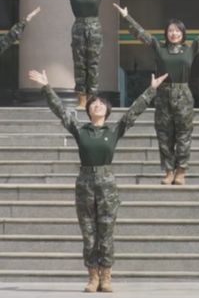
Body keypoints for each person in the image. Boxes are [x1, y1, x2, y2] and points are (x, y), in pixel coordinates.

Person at [28, 67, 167, 293]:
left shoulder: (114, 131)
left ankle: (107, 277)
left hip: (107, 185)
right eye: (93, 103)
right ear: (88, 109)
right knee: (88, 233)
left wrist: (151, 90)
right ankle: (92, 277)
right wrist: (46, 87)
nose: (97, 105)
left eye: (101, 103)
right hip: (84, 184)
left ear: (107, 110)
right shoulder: (80, 130)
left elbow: (133, 112)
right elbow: (61, 111)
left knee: (106, 233)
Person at [114, 2, 199, 185]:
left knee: (183, 134)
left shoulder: (190, 49)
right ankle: (168, 171)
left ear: (183, 33)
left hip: (183, 95)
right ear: (166, 33)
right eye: (171, 30)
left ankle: (181, 170)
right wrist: (126, 17)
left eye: (177, 31)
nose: (174, 33)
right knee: (164, 135)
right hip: (163, 95)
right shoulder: (159, 48)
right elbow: (141, 34)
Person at [32, 0, 140, 107]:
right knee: (79, 64)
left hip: (94, 28)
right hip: (78, 28)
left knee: (93, 64)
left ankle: (92, 98)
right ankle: (81, 97)